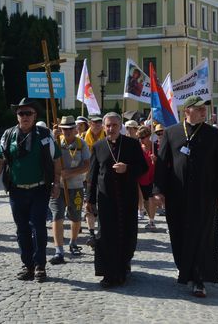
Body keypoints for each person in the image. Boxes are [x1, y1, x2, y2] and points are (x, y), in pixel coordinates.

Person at [155, 96, 218, 298]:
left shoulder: (214, 135)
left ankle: (199, 278)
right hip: (177, 196)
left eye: (204, 109)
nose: (203, 112)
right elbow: (162, 165)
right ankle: (186, 269)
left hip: (205, 196)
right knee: (179, 234)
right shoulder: (171, 133)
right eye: (198, 109)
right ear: (187, 111)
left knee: (202, 237)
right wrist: (158, 191)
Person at [0, 98, 62, 282]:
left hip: (39, 189)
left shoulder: (45, 135)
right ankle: (27, 265)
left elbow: (56, 160)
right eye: (21, 113)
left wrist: (57, 184)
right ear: (17, 116)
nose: (25, 117)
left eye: (28, 113)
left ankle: (39, 266)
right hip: (16, 190)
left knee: (38, 226)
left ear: (35, 115)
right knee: (21, 229)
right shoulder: (8, 135)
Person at [86, 112, 148, 288]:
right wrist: (89, 199)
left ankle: (122, 268)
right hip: (106, 199)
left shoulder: (132, 144)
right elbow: (92, 174)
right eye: (108, 126)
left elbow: (143, 168)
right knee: (105, 236)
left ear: (120, 126)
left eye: (114, 125)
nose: (110, 129)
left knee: (125, 233)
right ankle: (107, 273)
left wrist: (127, 168)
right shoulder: (98, 146)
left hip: (127, 198)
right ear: (104, 127)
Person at [49, 116, 90, 265]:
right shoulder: (56, 143)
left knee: (75, 217)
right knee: (57, 215)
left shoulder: (81, 144)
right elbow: (48, 160)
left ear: (75, 129)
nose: (66, 132)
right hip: (58, 186)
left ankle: (73, 242)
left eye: (70, 129)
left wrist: (70, 173)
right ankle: (58, 250)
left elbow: (87, 165)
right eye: (64, 129)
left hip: (76, 187)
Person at [83, 115, 105, 247]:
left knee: (103, 208)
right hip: (88, 178)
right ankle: (91, 234)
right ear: (90, 123)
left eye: (99, 122)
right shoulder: (82, 138)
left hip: (103, 178)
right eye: (94, 122)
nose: (97, 124)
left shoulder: (108, 136)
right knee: (88, 206)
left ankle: (102, 233)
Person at [137, 126, 158, 230]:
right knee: (146, 200)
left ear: (149, 136)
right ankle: (150, 219)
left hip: (154, 176)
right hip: (142, 177)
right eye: (140, 137)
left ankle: (152, 221)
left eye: (143, 137)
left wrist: (157, 160)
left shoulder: (156, 147)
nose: (141, 139)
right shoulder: (138, 148)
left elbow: (165, 162)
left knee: (151, 198)